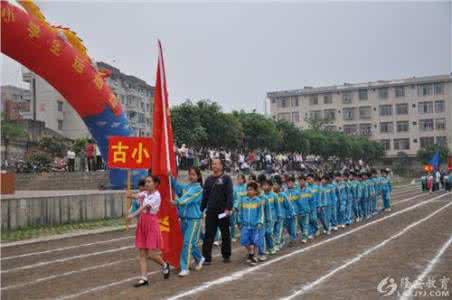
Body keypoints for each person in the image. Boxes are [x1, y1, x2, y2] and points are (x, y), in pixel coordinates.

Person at [127, 176, 170, 287]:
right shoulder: (145, 193)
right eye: (146, 181)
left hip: (151, 223)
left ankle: (165, 265)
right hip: (142, 223)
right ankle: (144, 278)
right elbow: (136, 196)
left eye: (149, 181)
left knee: (151, 254)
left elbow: (144, 208)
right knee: (142, 253)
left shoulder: (157, 196)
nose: (146, 183)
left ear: (155, 183)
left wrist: (132, 215)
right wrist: (129, 195)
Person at [170, 167, 205, 277]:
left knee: (187, 243)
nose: (191, 176)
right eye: (190, 174)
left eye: (193, 174)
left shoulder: (198, 189)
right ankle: (200, 258)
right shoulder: (187, 187)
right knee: (190, 243)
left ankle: (184, 267)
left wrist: (177, 202)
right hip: (184, 219)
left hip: (193, 220)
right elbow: (178, 188)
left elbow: (188, 198)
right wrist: (170, 177)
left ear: (198, 176)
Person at [201, 159, 234, 264]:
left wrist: (228, 208)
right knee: (209, 234)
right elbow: (205, 196)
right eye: (213, 164)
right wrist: (201, 209)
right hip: (211, 211)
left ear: (221, 166)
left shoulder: (226, 178)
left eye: (216, 164)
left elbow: (229, 194)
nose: (214, 165)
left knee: (225, 233)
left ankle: (226, 255)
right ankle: (206, 258)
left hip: (222, 211)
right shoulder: (208, 179)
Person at [237, 181, 264, 266]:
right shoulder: (243, 200)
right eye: (248, 190)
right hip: (245, 225)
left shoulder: (258, 201)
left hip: (255, 225)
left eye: (251, 190)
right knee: (244, 241)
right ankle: (250, 252)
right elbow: (240, 212)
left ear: (255, 191)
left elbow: (261, 213)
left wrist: (259, 222)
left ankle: (254, 256)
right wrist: (239, 221)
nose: (249, 191)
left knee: (255, 242)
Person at [232, 174, 247, 242]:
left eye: (240, 179)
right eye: (238, 179)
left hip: (244, 208)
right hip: (236, 208)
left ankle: (244, 234)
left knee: (242, 222)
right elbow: (233, 198)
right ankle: (232, 236)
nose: (239, 180)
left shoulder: (246, 187)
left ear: (243, 179)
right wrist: (234, 206)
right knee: (234, 222)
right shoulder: (234, 187)